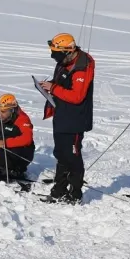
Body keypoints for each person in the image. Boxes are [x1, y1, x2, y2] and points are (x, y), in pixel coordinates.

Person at [38, 33, 95, 204]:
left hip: (75, 119)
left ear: (68, 51)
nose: (54, 57)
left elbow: (77, 96)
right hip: (62, 115)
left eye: (57, 54)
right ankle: (59, 190)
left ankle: (75, 193)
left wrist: (53, 88)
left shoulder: (81, 67)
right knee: (61, 154)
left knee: (72, 156)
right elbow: (61, 85)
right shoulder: (64, 62)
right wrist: (49, 88)